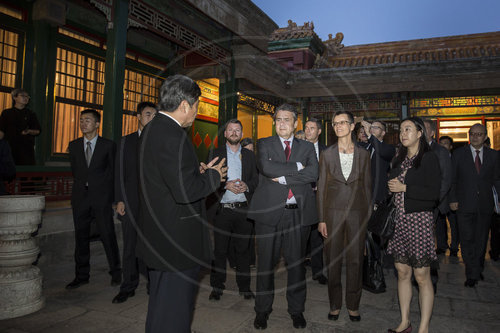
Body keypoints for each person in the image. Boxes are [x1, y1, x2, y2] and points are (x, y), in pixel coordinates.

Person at [136, 75, 226, 333]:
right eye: (197, 106)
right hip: (175, 242)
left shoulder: (153, 129)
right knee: (174, 311)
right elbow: (185, 191)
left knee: (163, 307)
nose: (196, 113)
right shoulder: (173, 135)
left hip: (161, 236)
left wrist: (195, 173)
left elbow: (168, 179)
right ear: (185, 105)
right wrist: (213, 176)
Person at [248, 103, 318, 330]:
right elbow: (267, 169)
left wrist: (286, 177)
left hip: (297, 214)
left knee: (296, 266)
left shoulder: (307, 148)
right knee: (265, 265)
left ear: (295, 123)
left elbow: (313, 173)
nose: (282, 124)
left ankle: (296, 311)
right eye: (278, 119)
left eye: (287, 119)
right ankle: (262, 311)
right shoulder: (264, 143)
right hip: (268, 214)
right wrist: (297, 167)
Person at [386, 117, 441, 333]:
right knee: (402, 272)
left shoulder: (429, 159)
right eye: (401, 130)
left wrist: (405, 188)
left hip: (419, 222)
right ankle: (405, 321)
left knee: (421, 275)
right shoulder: (398, 160)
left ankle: (424, 327)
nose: (403, 133)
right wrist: (391, 189)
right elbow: (392, 189)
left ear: (420, 133)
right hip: (399, 222)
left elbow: (434, 194)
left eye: (408, 129)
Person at [317, 111, 372, 322]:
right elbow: (321, 187)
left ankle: (353, 305)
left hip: (357, 215)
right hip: (332, 215)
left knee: (356, 261)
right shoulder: (327, 154)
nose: (338, 126)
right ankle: (334, 304)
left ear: (352, 127)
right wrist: (321, 218)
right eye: (335, 123)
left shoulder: (364, 154)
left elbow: (367, 188)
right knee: (332, 261)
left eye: (342, 123)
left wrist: (366, 218)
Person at [66, 109, 121, 290]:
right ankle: (81, 275)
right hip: (80, 198)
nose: (83, 123)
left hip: (101, 198)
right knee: (81, 237)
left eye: (87, 120)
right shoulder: (73, 146)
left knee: (107, 235)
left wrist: (115, 198)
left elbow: (114, 173)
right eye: (81, 120)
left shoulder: (108, 145)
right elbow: (76, 172)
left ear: (97, 124)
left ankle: (116, 273)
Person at [207, 119, 258, 301]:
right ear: (225, 134)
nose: (234, 132)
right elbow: (207, 180)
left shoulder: (250, 155)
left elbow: (256, 179)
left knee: (243, 251)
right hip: (223, 210)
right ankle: (217, 286)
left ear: (241, 134)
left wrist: (247, 185)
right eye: (231, 130)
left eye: (238, 130)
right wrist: (225, 185)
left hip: (244, 210)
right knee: (219, 251)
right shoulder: (215, 153)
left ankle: (244, 287)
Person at [112, 101, 157, 304]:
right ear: (138, 116)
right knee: (130, 245)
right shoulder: (125, 142)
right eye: (148, 114)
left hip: (153, 204)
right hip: (129, 201)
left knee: (152, 245)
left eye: (155, 115)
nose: (152, 118)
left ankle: (152, 284)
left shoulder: (160, 142)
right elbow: (118, 173)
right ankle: (127, 286)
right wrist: (119, 200)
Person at [449, 123, 500, 287]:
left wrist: (498, 200)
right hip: (464, 205)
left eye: (479, 134)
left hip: (485, 205)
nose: (475, 137)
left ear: (485, 137)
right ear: (468, 135)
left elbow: (497, 180)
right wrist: (453, 199)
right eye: (472, 134)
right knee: (466, 239)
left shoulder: (494, 155)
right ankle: (471, 273)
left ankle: (477, 267)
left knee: (481, 239)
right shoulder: (458, 154)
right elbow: (453, 179)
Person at [304, 117, 328, 285]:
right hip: (301, 197)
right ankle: (297, 269)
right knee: (298, 235)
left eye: (312, 128)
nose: (308, 131)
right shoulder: (296, 148)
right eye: (306, 127)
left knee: (318, 237)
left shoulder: (326, 151)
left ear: (319, 131)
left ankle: (318, 271)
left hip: (320, 199)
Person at [423, 120, 452, 257]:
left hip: (433, 201)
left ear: (432, 133)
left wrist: (435, 199)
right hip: (416, 200)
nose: (421, 130)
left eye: (425, 128)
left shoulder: (440, 151)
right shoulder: (411, 149)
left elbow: (446, 178)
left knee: (428, 236)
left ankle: (430, 271)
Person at [0, 88, 41, 165]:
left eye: (27, 96)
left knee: (26, 172)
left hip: (26, 149)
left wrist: (29, 131)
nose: (26, 98)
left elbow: (38, 130)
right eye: (23, 96)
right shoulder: (6, 113)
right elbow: (1, 130)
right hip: (9, 147)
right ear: (14, 97)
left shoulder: (31, 114)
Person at [360, 120, 395, 205]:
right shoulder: (363, 147)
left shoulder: (389, 148)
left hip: (378, 194)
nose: (372, 129)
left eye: (376, 127)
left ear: (383, 133)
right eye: (371, 127)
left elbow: (381, 151)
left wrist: (369, 135)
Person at [438, 135, 459, 256]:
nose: (442, 146)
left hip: (453, 197)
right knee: (440, 224)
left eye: (445, 143)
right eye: (440, 143)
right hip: (440, 197)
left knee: (454, 224)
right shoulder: (436, 159)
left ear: (451, 147)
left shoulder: (455, 160)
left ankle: (455, 247)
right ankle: (441, 246)